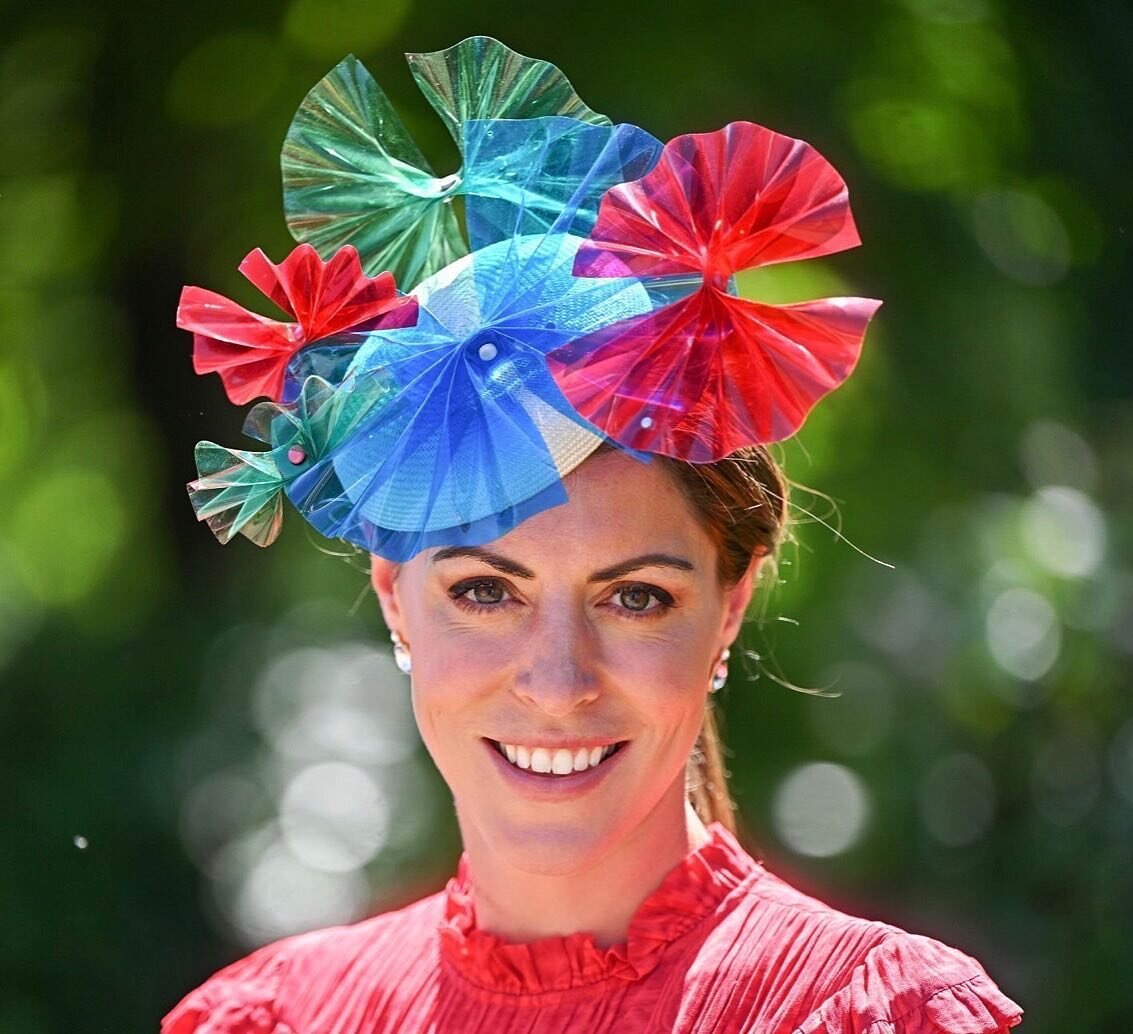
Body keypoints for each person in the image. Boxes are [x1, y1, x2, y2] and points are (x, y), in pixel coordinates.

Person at [164, 37, 1023, 1034]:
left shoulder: (860, 1011)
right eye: (486, 589)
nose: (558, 677)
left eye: (635, 594)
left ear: (728, 604)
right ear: (394, 591)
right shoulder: (274, 1019)